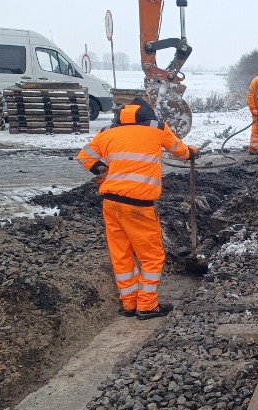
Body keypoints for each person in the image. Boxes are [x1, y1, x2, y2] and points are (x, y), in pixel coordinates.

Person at [75, 97, 200, 320]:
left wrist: (102, 170)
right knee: (152, 256)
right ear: (147, 114)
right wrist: (192, 153)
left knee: (121, 255)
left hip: (111, 203)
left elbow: (84, 156)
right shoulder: (158, 129)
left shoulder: (107, 132)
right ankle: (147, 306)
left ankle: (129, 304)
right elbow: (179, 151)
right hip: (138, 206)